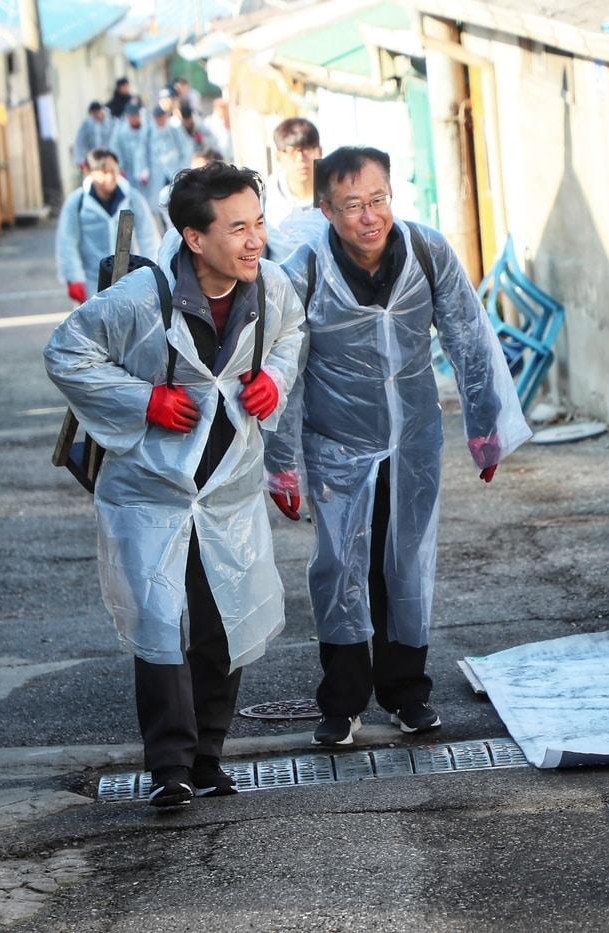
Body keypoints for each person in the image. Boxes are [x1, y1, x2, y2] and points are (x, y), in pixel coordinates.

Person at [44, 163, 307, 807]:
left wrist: (273, 377)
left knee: (219, 618)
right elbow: (66, 352)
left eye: (259, 224)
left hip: (225, 492)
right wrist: (143, 400)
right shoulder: (140, 297)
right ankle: (169, 768)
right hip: (151, 494)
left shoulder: (271, 289)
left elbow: (291, 335)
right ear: (194, 238)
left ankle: (209, 755)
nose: (254, 241)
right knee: (163, 621)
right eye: (237, 228)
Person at [264, 146, 531, 746]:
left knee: (406, 561)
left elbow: (468, 335)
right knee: (340, 568)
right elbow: (286, 372)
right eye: (352, 205)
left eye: (378, 200)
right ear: (327, 211)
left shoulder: (427, 251)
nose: (369, 216)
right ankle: (342, 701)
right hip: (336, 447)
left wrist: (485, 426)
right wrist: (282, 465)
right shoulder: (304, 272)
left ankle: (408, 693)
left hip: (412, 441)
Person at [54, 148, 160, 304]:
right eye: (103, 172)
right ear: (88, 171)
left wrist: (153, 273)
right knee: (95, 326)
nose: (109, 177)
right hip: (92, 282)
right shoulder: (77, 202)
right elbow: (67, 242)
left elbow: (148, 237)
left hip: (129, 281)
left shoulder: (132, 199)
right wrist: (74, 277)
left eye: (113, 171)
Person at [264, 117, 327, 261]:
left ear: (320, 151)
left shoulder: (336, 193)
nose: (301, 159)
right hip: (279, 279)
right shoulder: (266, 195)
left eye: (308, 149)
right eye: (292, 152)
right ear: (279, 156)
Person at [146, 105, 194, 216]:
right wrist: (144, 170)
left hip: (175, 169)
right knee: (160, 203)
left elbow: (186, 148)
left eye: (162, 116)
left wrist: (184, 166)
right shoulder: (149, 132)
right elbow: (143, 152)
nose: (160, 120)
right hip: (157, 173)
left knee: (178, 198)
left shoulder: (174, 129)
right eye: (158, 117)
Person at [110, 104, 151, 194]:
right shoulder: (121, 132)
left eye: (136, 116)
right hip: (128, 172)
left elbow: (152, 150)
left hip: (148, 172)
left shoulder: (147, 129)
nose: (134, 119)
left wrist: (147, 170)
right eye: (131, 116)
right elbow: (115, 150)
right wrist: (120, 168)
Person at [71, 101, 111, 172]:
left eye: (97, 113)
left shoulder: (111, 122)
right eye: (94, 114)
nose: (96, 116)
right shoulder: (87, 125)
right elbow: (80, 143)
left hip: (110, 158)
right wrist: (81, 160)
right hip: (93, 160)